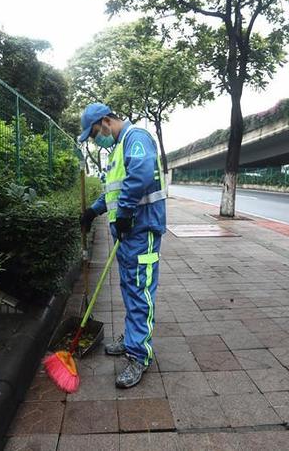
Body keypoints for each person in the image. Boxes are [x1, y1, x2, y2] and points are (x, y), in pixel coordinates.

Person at [77, 102, 167, 388]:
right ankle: (131, 339)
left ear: (105, 122)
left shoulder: (136, 138)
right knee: (130, 289)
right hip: (127, 234)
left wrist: (126, 212)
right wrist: (93, 210)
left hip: (142, 230)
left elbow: (139, 176)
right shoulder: (117, 149)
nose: (95, 140)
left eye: (93, 134)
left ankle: (139, 355)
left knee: (140, 293)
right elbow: (114, 191)